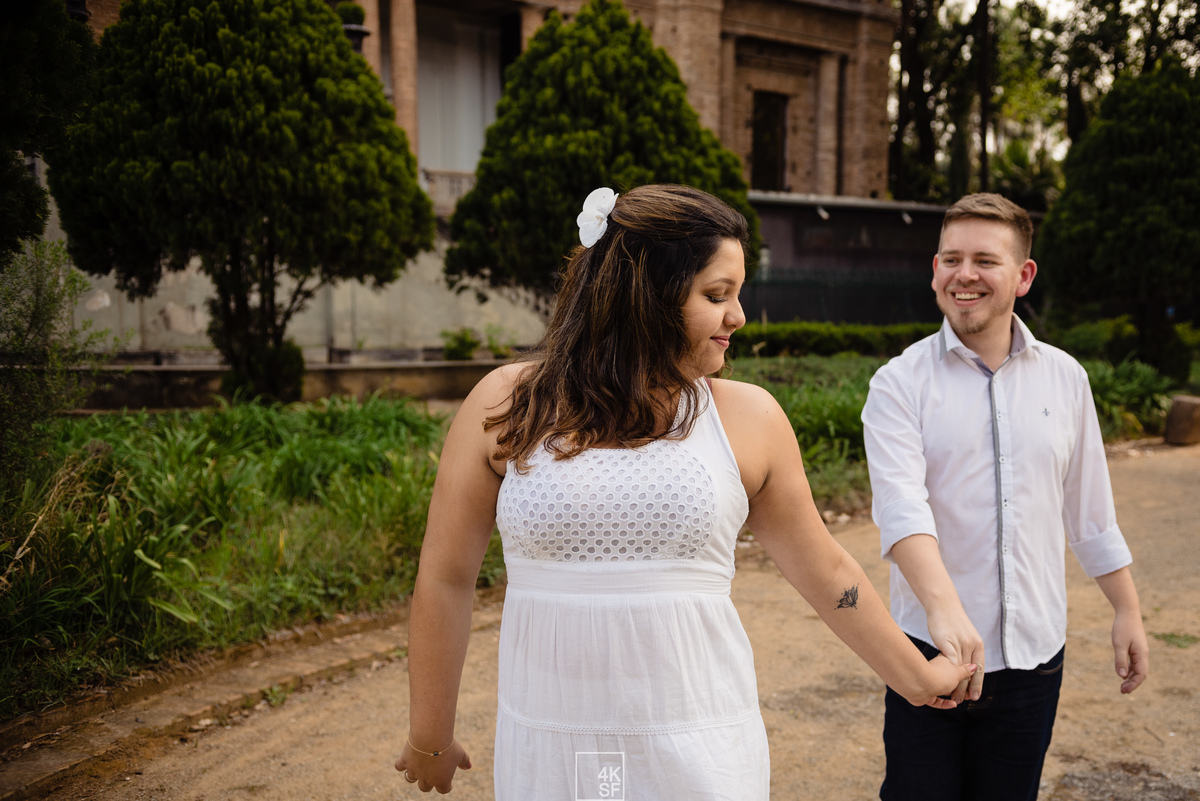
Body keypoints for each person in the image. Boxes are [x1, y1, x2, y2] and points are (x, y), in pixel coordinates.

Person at [395, 184, 976, 799]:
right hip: (552, 746)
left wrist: (915, 676)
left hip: (698, 748)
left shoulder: (749, 418)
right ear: (647, 297)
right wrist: (430, 734)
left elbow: (826, 569)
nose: (739, 316)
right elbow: (446, 576)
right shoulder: (507, 402)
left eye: (737, 295)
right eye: (716, 295)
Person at [861, 193, 1150, 801]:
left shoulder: (1067, 379)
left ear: (1023, 276)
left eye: (985, 261)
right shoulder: (898, 384)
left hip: (1033, 661)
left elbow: (1089, 509)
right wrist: (944, 610)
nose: (964, 275)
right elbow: (901, 508)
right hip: (927, 655)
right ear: (935, 269)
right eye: (950, 259)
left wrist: (1127, 609)